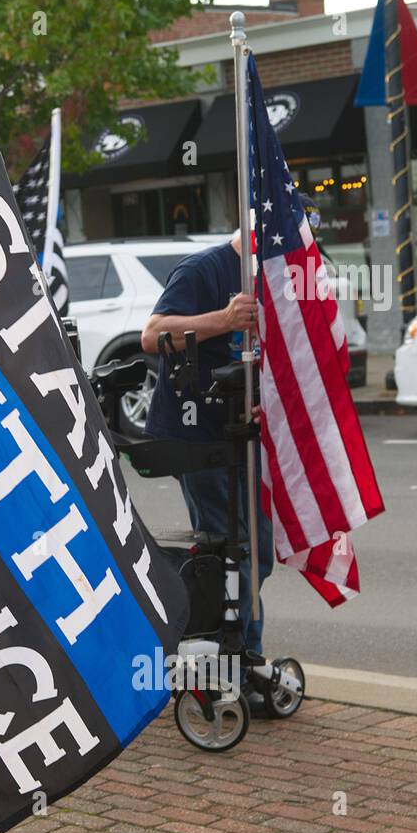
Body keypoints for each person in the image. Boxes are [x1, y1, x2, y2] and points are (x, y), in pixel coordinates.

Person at [140, 231, 274, 708]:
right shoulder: (204, 269)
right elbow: (153, 334)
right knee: (228, 552)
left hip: (238, 435)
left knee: (256, 549)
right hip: (195, 438)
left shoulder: (274, 277)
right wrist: (223, 319)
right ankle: (228, 664)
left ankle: (236, 658)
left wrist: (264, 403)